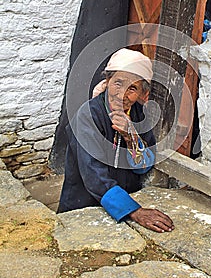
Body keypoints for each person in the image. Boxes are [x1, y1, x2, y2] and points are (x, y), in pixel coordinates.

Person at [58, 48, 174, 233]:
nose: (122, 94)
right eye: (118, 83)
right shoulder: (87, 116)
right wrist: (134, 211)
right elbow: (93, 173)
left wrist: (131, 136)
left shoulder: (138, 113)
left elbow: (144, 165)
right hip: (85, 203)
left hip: (124, 198)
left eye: (133, 88)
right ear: (107, 82)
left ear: (143, 94)